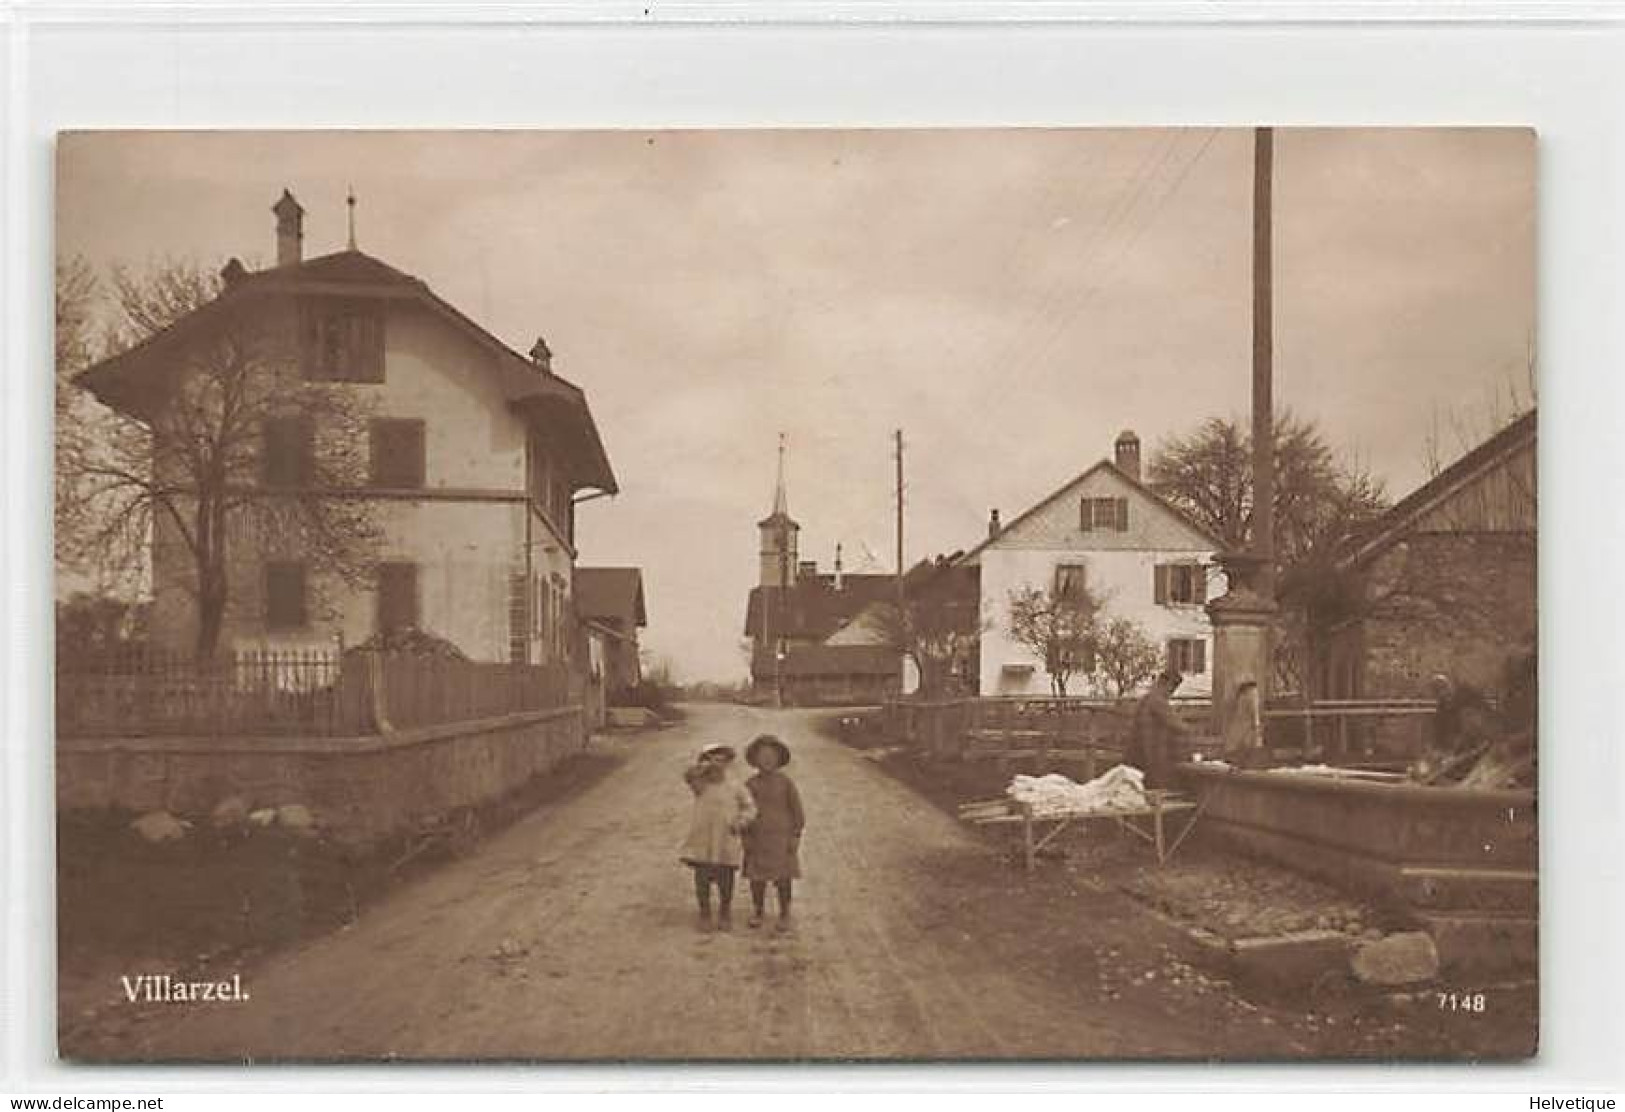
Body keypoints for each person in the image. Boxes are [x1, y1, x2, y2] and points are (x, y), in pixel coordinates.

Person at [678, 743, 756, 931]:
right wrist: (701, 768)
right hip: (703, 838)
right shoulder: (701, 785)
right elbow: (688, 776)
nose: (717, 765)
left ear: (728, 764)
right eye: (712, 760)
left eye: (722, 761)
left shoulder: (735, 786)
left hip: (725, 838)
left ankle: (724, 912)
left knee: (725, 878)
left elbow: (750, 807)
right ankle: (705, 913)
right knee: (702, 878)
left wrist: (741, 821)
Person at [741, 734, 805, 933]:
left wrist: (795, 835)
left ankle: (784, 913)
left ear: (779, 760)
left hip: (781, 839)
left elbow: (797, 812)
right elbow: (743, 811)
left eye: (771, 756)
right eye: (762, 756)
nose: (767, 760)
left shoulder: (786, 783)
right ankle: (758, 911)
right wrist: (745, 837)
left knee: (784, 878)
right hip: (758, 838)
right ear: (755, 760)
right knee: (756, 879)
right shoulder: (750, 784)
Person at [1127, 669, 1190, 789]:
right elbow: (1179, 726)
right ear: (1164, 683)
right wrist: (1190, 729)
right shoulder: (1157, 700)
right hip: (1150, 757)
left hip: (1137, 754)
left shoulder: (1146, 698)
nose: (1170, 694)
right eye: (1171, 689)